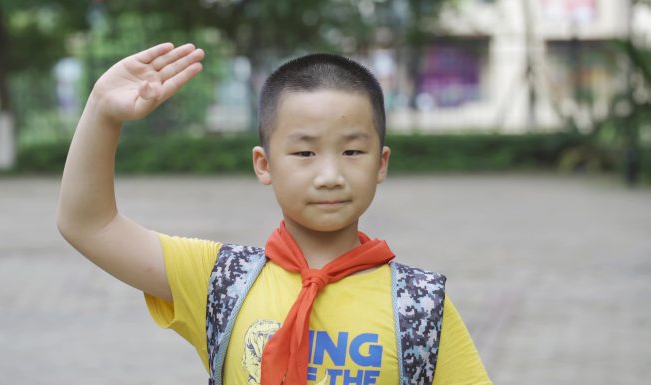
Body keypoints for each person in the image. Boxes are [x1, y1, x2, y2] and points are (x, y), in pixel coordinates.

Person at [57, 42, 492, 385]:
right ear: (264, 164)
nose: (329, 175)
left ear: (381, 163)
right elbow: (87, 224)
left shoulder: (419, 305)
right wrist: (101, 111)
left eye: (353, 151)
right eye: (304, 152)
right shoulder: (219, 278)